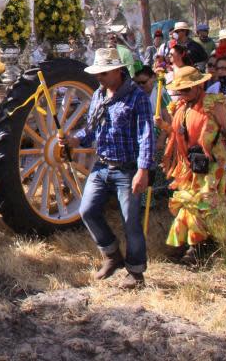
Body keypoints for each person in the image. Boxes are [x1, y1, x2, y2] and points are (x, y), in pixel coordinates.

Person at [59, 48, 153, 289]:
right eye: (97, 73)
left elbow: (146, 137)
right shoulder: (99, 96)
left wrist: (143, 170)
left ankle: (135, 272)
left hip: (127, 169)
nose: (98, 77)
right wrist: (74, 139)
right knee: (87, 210)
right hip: (101, 166)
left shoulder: (137, 97)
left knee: (130, 222)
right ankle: (112, 255)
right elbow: (90, 130)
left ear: (118, 71)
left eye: (103, 73)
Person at [155, 66, 226, 265]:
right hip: (190, 166)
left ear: (198, 86)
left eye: (187, 90)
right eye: (180, 91)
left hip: (214, 165)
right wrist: (164, 127)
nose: (183, 94)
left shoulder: (214, 104)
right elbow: (178, 135)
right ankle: (195, 247)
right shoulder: (179, 107)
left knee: (204, 203)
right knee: (189, 204)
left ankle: (208, 247)